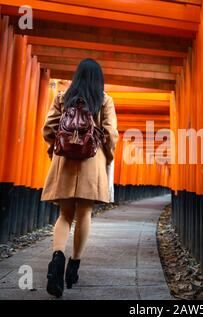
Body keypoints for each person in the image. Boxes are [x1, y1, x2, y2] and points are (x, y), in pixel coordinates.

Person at [41, 59, 118, 298]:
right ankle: (73, 267)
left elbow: (48, 128)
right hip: (91, 161)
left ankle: (57, 258)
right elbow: (110, 133)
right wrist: (107, 156)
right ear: (98, 78)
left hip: (65, 160)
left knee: (64, 215)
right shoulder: (104, 100)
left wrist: (57, 147)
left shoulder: (63, 97)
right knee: (84, 214)